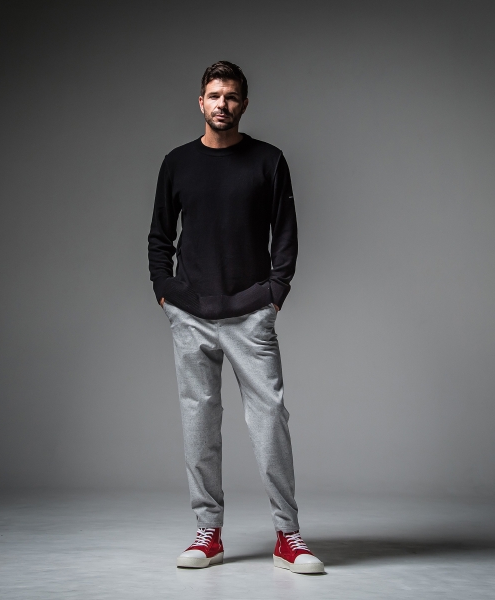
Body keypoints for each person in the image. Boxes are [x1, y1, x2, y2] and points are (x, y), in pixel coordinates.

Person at [147, 61, 324, 574]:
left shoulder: (268, 161)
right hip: (191, 313)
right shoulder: (177, 163)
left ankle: (288, 536)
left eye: (230, 96)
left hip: (250, 313)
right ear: (200, 102)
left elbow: (285, 235)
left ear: (244, 104)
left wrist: (274, 294)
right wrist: (165, 290)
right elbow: (160, 236)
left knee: (270, 420)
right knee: (199, 423)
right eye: (213, 95)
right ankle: (209, 533)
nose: (221, 104)